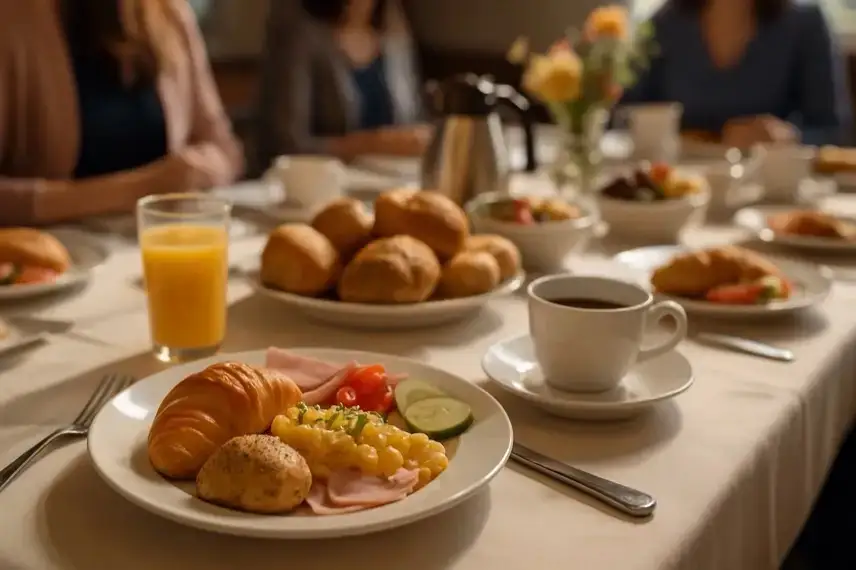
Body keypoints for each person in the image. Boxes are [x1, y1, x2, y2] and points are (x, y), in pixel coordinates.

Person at [0, 0, 243, 226]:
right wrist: (137, 190)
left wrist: (196, 169)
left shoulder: (168, 12)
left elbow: (225, 148)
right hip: (63, 261)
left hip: (158, 249)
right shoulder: (12, 18)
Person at [621, 0, 852, 147]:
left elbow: (831, 131)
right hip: (679, 189)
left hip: (769, 193)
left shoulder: (806, 24)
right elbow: (624, 119)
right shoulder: (663, 24)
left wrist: (788, 137)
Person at [255, 0, 428, 171]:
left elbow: (415, 120)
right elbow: (289, 144)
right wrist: (374, 144)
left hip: (395, 180)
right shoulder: (300, 38)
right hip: (322, 184)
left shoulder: (395, 37)